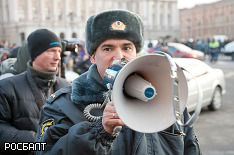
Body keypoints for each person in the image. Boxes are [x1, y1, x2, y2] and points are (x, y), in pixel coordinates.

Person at [36, 10, 201, 155]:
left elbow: (190, 148)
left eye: (127, 48)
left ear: (136, 53)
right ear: (93, 57)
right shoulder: (62, 106)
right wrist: (98, 133)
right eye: (107, 49)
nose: (118, 57)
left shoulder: (170, 98)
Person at [0, 29, 71, 154]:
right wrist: (36, 143)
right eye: (51, 51)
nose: (58, 57)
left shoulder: (66, 86)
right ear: (35, 55)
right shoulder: (6, 87)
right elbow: (3, 139)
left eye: (59, 51)